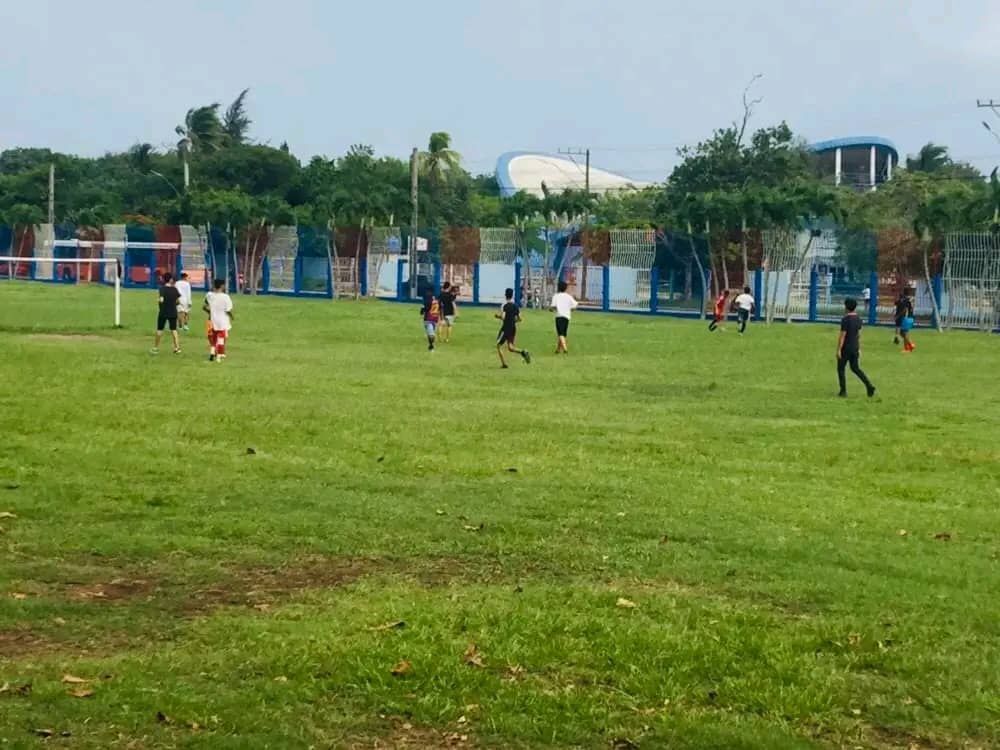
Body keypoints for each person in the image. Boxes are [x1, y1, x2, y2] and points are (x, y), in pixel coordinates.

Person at [837, 298, 876, 398]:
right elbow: (858, 335)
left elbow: (843, 336)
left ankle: (843, 391)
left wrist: (839, 349)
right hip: (854, 347)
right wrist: (859, 348)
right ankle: (869, 386)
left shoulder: (845, 319)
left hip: (846, 348)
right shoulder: (859, 319)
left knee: (841, 369)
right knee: (855, 368)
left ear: (846, 307)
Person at [495, 287, 531, 368]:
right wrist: (513, 321)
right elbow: (520, 319)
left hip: (505, 328)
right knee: (510, 347)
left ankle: (504, 364)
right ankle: (523, 352)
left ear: (505, 295)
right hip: (513, 328)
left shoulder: (505, 306)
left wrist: (498, 316)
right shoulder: (515, 306)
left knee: (498, 345)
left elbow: (503, 317)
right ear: (512, 296)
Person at [204, 279, 234, 362]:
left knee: (213, 338)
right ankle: (219, 356)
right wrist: (232, 316)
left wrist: (210, 311)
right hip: (222, 321)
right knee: (221, 338)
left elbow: (205, 305)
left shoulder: (210, 295)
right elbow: (228, 310)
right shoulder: (225, 297)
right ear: (222, 286)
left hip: (213, 319)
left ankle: (212, 353)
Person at [151, 272, 181, 355]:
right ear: (170, 279)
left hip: (163, 311)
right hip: (173, 311)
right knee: (174, 330)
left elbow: (161, 299)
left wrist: (159, 302)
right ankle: (177, 347)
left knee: (160, 330)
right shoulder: (175, 289)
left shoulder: (162, 289)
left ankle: (156, 347)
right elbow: (178, 301)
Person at [550, 280, 579, 353]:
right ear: (566, 288)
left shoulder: (556, 296)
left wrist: (551, 309)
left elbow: (553, 307)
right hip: (567, 317)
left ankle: (565, 348)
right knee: (563, 333)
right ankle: (558, 349)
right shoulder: (568, 296)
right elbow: (575, 305)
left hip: (559, 316)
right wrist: (571, 309)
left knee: (560, 333)